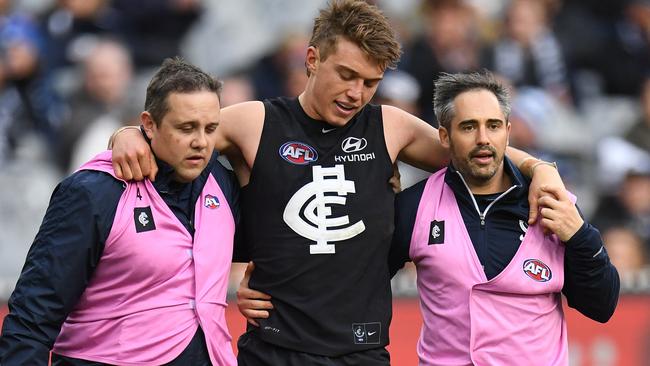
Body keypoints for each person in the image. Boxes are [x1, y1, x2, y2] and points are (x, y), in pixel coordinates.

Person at [110, 2, 566, 364]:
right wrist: (127, 133)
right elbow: (178, 132)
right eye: (346, 75)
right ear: (312, 59)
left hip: (361, 352)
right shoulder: (255, 122)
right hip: (273, 351)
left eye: (370, 82)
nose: (355, 93)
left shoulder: (390, 127)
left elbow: (475, 151)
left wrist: (537, 168)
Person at [0, 58, 240, 365]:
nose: (201, 142)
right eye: (186, 128)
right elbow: (33, 313)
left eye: (211, 129)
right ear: (149, 125)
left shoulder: (223, 182)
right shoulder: (93, 192)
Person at [387, 71, 618, 365]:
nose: (483, 139)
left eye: (493, 126)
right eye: (469, 127)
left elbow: (602, 306)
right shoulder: (414, 206)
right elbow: (363, 285)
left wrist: (581, 236)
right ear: (444, 136)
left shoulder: (553, 201)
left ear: (507, 132)